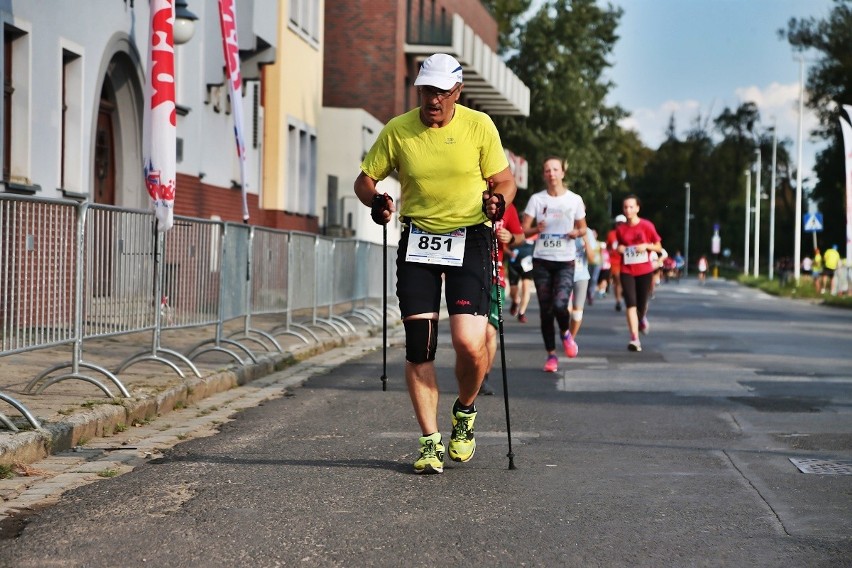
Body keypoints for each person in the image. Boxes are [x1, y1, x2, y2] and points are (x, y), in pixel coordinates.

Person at [354, 53, 517, 474]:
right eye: (428, 91)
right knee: (419, 345)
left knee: (469, 342)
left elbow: (504, 179)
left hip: (470, 238)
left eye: (443, 92)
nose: (434, 100)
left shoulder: (479, 126)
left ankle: (464, 412)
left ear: (457, 93)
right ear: (419, 91)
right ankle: (429, 441)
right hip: (419, 242)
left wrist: (499, 199)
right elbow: (365, 179)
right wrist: (376, 201)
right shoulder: (399, 130)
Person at [521, 156, 587, 373]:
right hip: (542, 260)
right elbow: (523, 230)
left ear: (562, 173)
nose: (551, 173)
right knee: (545, 311)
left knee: (560, 304)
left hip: (565, 261)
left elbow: (583, 228)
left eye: (555, 169)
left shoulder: (574, 199)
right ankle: (551, 355)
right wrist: (536, 229)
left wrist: (576, 232)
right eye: (547, 170)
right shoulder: (537, 200)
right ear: (544, 175)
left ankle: (566, 333)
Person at [481, 202, 525, 396]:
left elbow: (520, 237)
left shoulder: (507, 206)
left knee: (489, 332)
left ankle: (483, 378)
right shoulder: (466, 196)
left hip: (496, 277)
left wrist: (511, 237)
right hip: (470, 276)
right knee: (470, 335)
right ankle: (470, 374)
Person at [615, 195, 662, 352]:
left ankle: (641, 319)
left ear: (637, 208)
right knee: (630, 303)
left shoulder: (647, 226)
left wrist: (646, 246)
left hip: (644, 270)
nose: (628, 210)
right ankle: (634, 338)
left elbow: (658, 247)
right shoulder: (620, 229)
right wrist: (620, 249)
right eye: (625, 207)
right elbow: (618, 246)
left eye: (631, 207)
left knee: (641, 304)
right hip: (627, 269)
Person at [568, 230, 594, 346]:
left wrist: (586, 242)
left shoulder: (587, 232)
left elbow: (592, 259)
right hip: (563, 275)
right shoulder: (562, 225)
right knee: (563, 309)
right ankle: (565, 333)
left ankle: (570, 339)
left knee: (577, 312)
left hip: (581, 276)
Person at [508, 234, 535, 323]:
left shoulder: (535, 232)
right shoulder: (513, 231)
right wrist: (509, 252)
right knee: (513, 291)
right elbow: (504, 245)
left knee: (526, 288)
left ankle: (521, 312)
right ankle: (515, 301)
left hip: (528, 265)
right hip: (514, 264)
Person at [606, 215, 627, 311]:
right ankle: (618, 301)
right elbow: (608, 247)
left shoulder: (628, 233)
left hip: (627, 261)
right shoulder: (611, 234)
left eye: (622, 223)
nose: (620, 225)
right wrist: (610, 253)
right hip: (615, 262)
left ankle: (624, 294)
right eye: (618, 223)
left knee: (624, 282)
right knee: (618, 281)